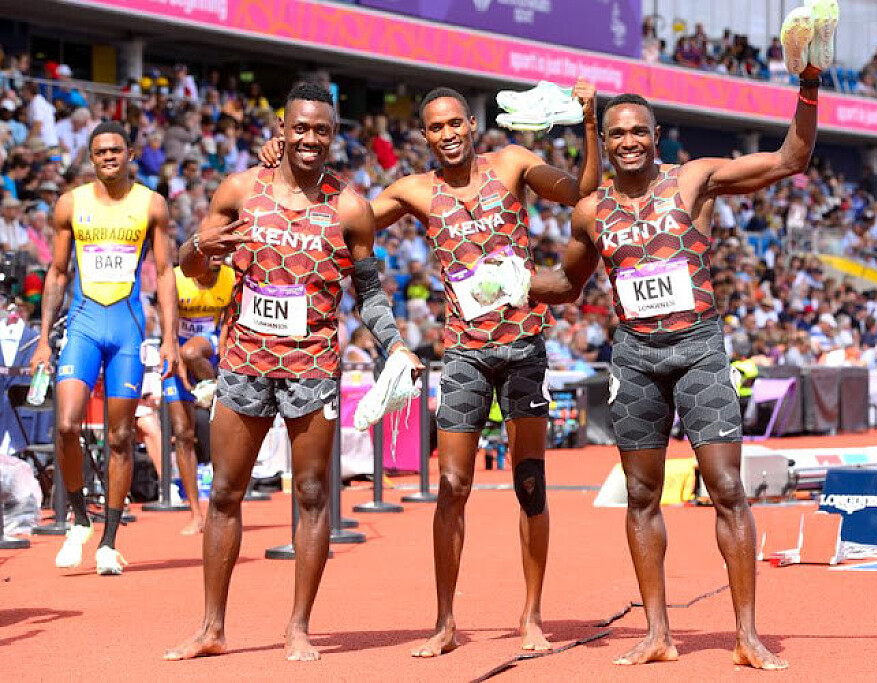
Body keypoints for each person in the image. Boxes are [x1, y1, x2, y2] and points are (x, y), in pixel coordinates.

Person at [260, 79, 600, 656]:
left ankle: (532, 617)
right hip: (464, 352)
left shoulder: (512, 163)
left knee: (530, 483)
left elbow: (583, 193)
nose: (447, 134)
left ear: (472, 125)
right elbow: (342, 220)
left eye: (454, 123)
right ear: (423, 135)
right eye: (435, 127)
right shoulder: (415, 190)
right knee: (451, 485)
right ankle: (445, 622)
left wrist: (589, 124)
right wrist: (283, 165)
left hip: (523, 345)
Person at [529, 66, 820, 668]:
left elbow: (790, 159)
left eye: (639, 131)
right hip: (635, 358)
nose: (628, 141)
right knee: (641, 494)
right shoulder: (590, 210)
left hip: (698, 349)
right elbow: (566, 284)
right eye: (617, 133)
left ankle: (746, 636)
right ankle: (658, 633)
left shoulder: (692, 181)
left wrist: (809, 86)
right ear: (605, 141)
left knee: (727, 488)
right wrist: (508, 280)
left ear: (656, 136)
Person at [164, 82, 420, 662]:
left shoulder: (351, 208)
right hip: (244, 359)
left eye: (321, 130)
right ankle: (211, 627)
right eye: (300, 128)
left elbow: (370, 295)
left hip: (313, 365)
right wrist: (197, 244)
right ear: (281, 130)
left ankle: (299, 626)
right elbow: (192, 268)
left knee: (310, 494)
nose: (309, 138)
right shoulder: (239, 190)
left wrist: (395, 344)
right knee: (225, 492)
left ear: (334, 136)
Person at [28, 121, 185, 575]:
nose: (109, 157)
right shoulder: (71, 204)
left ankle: (108, 542)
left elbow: (165, 272)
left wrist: (170, 338)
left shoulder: (151, 204)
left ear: (130, 154)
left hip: (127, 328)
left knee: (120, 436)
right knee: (65, 424)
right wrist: (43, 340)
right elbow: (58, 273)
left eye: (116, 150)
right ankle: (79, 518)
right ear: (91, 158)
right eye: (101, 152)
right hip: (82, 323)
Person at [161, 253, 234, 535]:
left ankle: (211, 386)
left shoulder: (229, 277)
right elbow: (168, 324)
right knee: (182, 433)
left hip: (209, 347)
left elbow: (228, 320)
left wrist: (224, 356)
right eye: (210, 252)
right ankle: (195, 513)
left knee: (192, 351)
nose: (217, 258)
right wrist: (175, 358)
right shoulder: (178, 278)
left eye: (221, 253)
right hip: (176, 349)